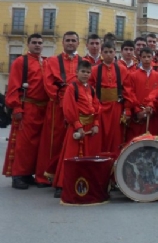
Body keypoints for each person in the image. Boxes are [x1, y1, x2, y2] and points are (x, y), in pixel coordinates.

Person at [3, 34, 48, 190]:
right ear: (28, 44)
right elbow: (13, 87)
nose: (37, 45)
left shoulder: (46, 62)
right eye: (34, 42)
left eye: (40, 43)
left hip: (43, 108)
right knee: (23, 144)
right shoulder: (20, 62)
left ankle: (28, 174)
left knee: (37, 145)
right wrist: (16, 107)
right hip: (27, 107)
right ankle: (17, 175)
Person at [52, 60, 101, 198]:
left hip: (89, 127)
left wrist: (96, 123)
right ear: (76, 72)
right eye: (83, 72)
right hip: (76, 127)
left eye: (88, 72)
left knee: (87, 156)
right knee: (70, 156)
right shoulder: (71, 88)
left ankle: (83, 184)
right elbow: (69, 108)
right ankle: (62, 185)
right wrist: (78, 126)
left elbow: (97, 107)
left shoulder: (91, 89)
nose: (85, 74)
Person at [40, 31, 81, 185]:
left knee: (74, 141)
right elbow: (48, 83)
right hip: (57, 106)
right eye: (68, 40)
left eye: (73, 40)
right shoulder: (52, 61)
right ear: (63, 43)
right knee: (54, 141)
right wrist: (61, 99)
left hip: (77, 107)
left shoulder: (83, 62)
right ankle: (49, 175)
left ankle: (69, 175)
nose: (70, 43)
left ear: (78, 43)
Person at [88, 42, 128, 153]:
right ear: (101, 53)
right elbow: (89, 89)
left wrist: (127, 108)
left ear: (115, 53)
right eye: (106, 52)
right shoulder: (95, 70)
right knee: (100, 135)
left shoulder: (122, 69)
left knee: (115, 135)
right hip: (100, 106)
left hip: (116, 106)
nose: (108, 55)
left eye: (111, 52)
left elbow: (127, 90)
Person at [122, 47, 158, 140]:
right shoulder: (132, 75)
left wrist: (151, 107)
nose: (146, 59)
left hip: (152, 114)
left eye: (149, 56)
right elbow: (130, 94)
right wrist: (138, 110)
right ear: (140, 57)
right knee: (136, 140)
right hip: (137, 115)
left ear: (153, 58)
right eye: (144, 57)